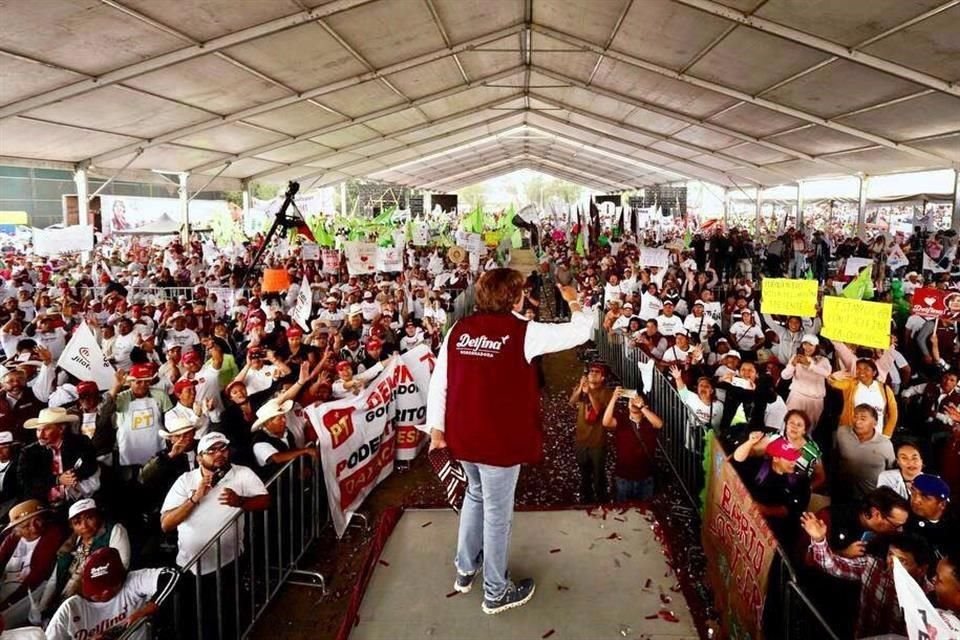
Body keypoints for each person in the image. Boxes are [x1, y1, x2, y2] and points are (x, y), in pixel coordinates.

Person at [425, 268, 592, 614]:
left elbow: (439, 383)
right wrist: (574, 299)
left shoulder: (459, 330)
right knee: (497, 515)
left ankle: (465, 568)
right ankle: (495, 592)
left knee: (475, 495)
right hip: (498, 443)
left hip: (463, 437)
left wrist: (436, 432)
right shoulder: (524, 333)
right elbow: (581, 331)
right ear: (513, 297)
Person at [802, 512, 933, 638]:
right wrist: (819, 539)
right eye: (890, 555)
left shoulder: (930, 596)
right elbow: (832, 565)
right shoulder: (872, 567)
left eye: (902, 561)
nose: (893, 564)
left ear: (921, 569)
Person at [44, 547, 178, 640]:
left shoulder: (132, 581)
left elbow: (172, 575)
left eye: (106, 588)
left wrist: (143, 612)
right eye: (95, 588)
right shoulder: (71, 607)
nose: (101, 593)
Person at [39, 498, 131, 616]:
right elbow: (54, 578)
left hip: (97, 598)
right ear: (72, 526)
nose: (84, 526)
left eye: (89, 518)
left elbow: (122, 565)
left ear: (98, 516)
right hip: (66, 597)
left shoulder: (114, 530)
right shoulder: (71, 542)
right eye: (77, 522)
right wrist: (42, 607)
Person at [0, 500, 66, 627]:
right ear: (17, 529)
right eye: (26, 526)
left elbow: (38, 575)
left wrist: (7, 603)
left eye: (37, 520)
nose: (34, 527)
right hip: (6, 586)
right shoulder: (13, 538)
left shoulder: (52, 534)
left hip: (30, 592)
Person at [18, 408, 98, 506]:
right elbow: (24, 481)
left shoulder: (81, 442)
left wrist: (74, 475)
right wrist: (58, 479)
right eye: (38, 430)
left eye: (46, 429)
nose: (40, 435)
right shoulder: (29, 452)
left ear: (61, 429)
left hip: (76, 502)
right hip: (44, 506)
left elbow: (91, 465)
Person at [601, 387, 663, 501]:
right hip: (624, 477)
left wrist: (642, 407)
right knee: (623, 511)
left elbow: (659, 424)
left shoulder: (649, 422)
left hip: (645, 477)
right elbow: (606, 422)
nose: (634, 402)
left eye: (637, 400)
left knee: (645, 512)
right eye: (631, 400)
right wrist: (614, 398)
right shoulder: (622, 419)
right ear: (628, 405)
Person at [569, 363, 613, 503]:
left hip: (597, 441)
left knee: (599, 475)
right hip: (581, 441)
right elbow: (572, 402)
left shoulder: (606, 393)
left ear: (602, 377)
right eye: (591, 371)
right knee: (584, 475)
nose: (593, 373)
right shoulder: (583, 388)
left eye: (597, 372)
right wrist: (580, 389)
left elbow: (598, 410)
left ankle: (601, 501)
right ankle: (586, 501)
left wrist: (589, 393)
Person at [834, 404, 895, 503]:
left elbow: (892, 470)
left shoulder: (885, 444)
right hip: (842, 494)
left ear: (874, 422)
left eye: (863, 418)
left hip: (871, 498)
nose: (857, 422)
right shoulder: (841, 433)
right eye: (855, 417)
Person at [780, 335, 832, 428]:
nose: (807, 348)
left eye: (811, 345)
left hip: (815, 401)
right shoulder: (795, 357)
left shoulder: (824, 360)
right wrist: (792, 365)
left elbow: (827, 374)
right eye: (805, 344)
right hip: (797, 397)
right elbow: (784, 376)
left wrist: (809, 365)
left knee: (808, 427)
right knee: (789, 424)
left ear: (816, 347)